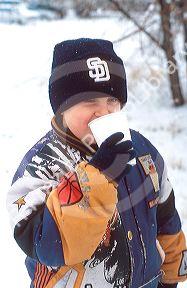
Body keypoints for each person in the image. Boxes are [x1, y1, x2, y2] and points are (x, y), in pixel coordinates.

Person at [7, 38, 187, 288]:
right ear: (62, 108)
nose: (103, 112)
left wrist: (171, 275)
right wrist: (98, 177)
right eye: (90, 101)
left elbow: (166, 215)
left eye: (112, 101)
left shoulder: (142, 151)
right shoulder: (41, 168)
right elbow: (48, 245)